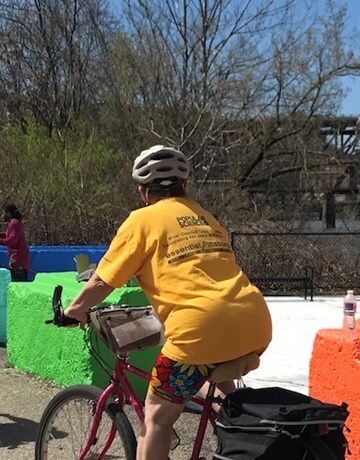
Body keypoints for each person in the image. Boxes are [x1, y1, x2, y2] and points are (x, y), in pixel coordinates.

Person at [62, 145, 272, 460]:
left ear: (143, 192)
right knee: (205, 370)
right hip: (254, 321)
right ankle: (242, 428)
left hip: (198, 328)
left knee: (156, 419)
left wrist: (75, 310)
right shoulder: (205, 217)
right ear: (184, 186)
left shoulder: (142, 220)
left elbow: (103, 279)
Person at [0, 204, 30, 281]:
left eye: (5, 213)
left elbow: (12, 239)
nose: (4, 215)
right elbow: (8, 235)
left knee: (17, 286)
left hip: (18, 261)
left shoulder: (13, 224)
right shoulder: (16, 223)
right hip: (20, 261)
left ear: (9, 213)